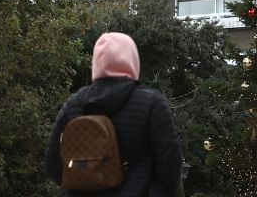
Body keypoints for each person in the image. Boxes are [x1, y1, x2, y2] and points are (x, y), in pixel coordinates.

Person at [44, 32, 183, 196]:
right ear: (133, 60)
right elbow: (170, 161)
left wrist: (79, 184)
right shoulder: (151, 103)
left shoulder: (74, 104)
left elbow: (52, 162)